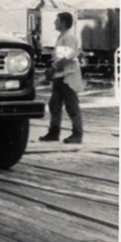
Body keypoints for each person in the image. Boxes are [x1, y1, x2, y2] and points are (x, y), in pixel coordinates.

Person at [39, 12, 84, 144]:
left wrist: (53, 68)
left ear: (63, 23)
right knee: (54, 105)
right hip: (60, 77)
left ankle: (77, 134)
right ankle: (54, 132)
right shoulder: (62, 37)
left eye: (57, 20)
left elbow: (67, 57)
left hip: (68, 77)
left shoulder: (68, 38)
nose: (54, 22)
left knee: (72, 106)